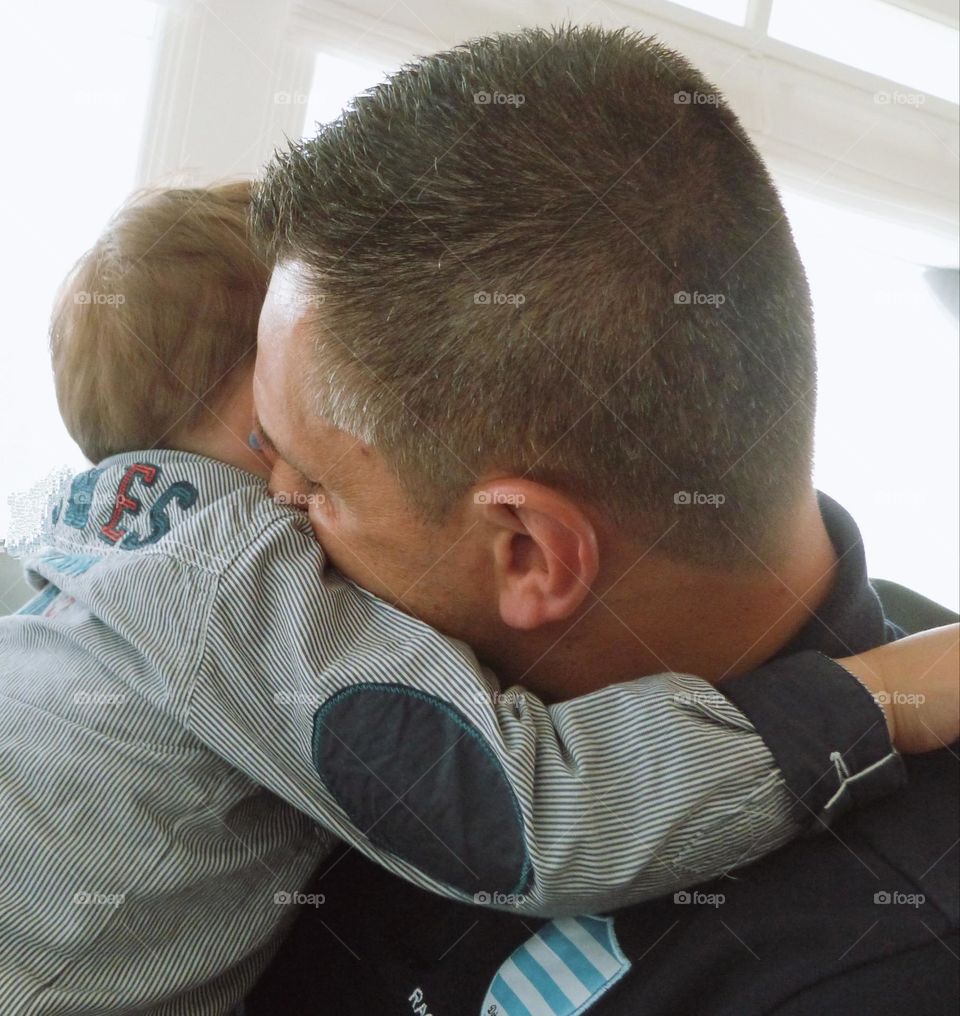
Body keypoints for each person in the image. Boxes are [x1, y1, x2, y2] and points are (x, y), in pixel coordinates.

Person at [0, 182, 952, 1015]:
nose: (300, 488)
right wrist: (873, 699)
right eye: (304, 434)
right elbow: (530, 816)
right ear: (260, 409)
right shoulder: (243, 585)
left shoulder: (87, 534)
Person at [240, 25, 960, 1015]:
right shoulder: (322, 660)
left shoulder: (883, 959)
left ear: (529, 550)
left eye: (313, 482)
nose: (264, 504)